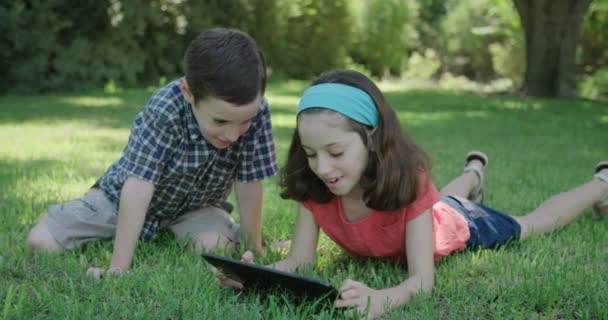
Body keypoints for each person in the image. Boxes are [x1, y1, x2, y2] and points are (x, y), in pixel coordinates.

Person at [220, 69, 608, 319]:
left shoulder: (408, 182)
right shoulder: (317, 186)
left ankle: (600, 184)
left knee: (528, 224)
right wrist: (257, 276)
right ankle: (473, 173)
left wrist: (383, 298)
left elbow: (422, 280)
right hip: (435, 211)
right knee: (444, 202)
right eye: (310, 154)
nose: (322, 168)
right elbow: (300, 262)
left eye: (335, 153)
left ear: (371, 138)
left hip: (459, 226)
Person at [26, 28, 278, 278]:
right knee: (41, 242)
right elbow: (138, 187)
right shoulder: (165, 109)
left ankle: (233, 234)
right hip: (119, 200)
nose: (233, 135)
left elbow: (249, 182)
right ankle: (117, 228)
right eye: (220, 121)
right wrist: (119, 267)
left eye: (244, 122)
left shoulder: (256, 111)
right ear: (188, 93)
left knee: (219, 250)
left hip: (196, 207)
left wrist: (253, 247)